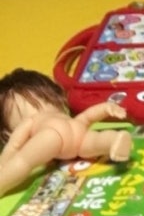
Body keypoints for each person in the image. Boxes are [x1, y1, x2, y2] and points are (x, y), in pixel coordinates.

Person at [0, 68, 131, 198]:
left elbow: (14, 145)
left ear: (6, 133)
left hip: (51, 135)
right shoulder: (62, 115)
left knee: (24, 161)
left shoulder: (30, 122)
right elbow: (87, 117)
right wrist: (105, 108)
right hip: (77, 126)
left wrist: (3, 163)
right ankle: (113, 140)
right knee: (95, 141)